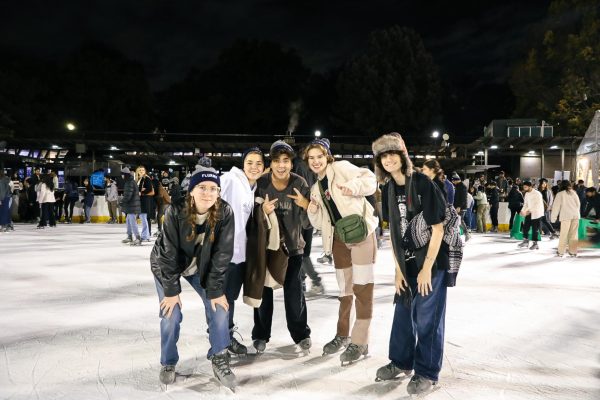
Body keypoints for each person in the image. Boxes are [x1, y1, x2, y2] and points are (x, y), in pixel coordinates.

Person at [372, 132, 450, 396]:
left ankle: (427, 372)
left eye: (392, 153)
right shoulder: (389, 189)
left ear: (402, 156)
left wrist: (427, 268)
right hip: (406, 264)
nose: (388, 159)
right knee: (403, 314)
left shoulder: (422, 183)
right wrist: (397, 271)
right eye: (383, 155)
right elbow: (394, 233)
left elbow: (438, 229)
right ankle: (402, 361)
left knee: (427, 318)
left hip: (431, 262)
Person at [150, 166, 236, 389]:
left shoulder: (225, 212)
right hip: (167, 267)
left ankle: (219, 355)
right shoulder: (175, 211)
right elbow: (167, 254)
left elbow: (222, 254)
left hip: (201, 268)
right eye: (202, 187)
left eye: (213, 188)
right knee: (171, 314)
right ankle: (168, 362)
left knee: (219, 309)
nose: (208, 193)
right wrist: (171, 291)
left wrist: (216, 291)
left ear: (218, 192)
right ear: (191, 191)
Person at [304, 138, 378, 364]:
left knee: (362, 288)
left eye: (319, 156)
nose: (316, 161)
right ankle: (343, 334)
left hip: (361, 234)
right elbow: (319, 223)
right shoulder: (316, 187)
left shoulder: (342, 168)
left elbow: (370, 179)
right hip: (338, 239)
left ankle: (360, 340)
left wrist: (353, 187)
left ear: (327, 156)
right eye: (311, 158)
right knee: (345, 290)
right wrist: (312, 209)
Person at [250, 140, 312, 354]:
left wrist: (305, 206)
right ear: (271, 163)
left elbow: (307, 223)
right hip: (267, 249)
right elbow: (250, 216)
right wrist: (262, 211)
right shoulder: (261, 182)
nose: (281, 165)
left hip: (293, 249)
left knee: (294, 295)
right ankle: (260, 334)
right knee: (264, 294)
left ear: (291, 163)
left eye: (286, 161)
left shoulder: (300, 183)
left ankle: (301, 334)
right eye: (276, 161)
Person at [219, 147, 266, 356]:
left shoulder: (252, 187)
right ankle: (219, 344)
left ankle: (226, 337)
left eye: (258, 163)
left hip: (239, 255)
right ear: (242, 164)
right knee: (220, 301)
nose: (254, 167)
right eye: (250, 162)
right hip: (223, 254)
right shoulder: (231, 179)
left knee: (229, 299)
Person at [293, 153, 325, 295]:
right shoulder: (311, 169)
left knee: (300, 253)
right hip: (310, 214)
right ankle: (303, 281)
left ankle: (314, 281)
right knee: (302, 253)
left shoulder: (297, 168)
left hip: (301, 216)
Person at [551, 181, 581, 257]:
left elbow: (556, 207)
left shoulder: (560, 194)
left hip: (566, 216)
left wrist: (553, 218)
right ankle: (573, 252)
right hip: (575, 215)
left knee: (564, 234)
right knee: (574, 235)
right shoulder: (574, 193)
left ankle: (561, 252)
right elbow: (578, 204)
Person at [518, 181, 544, 250]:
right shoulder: (526, 194)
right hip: (529, 213)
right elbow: (525, 204)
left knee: (535, 229)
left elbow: (538, 205)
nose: (524, 188)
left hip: (536, 214)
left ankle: (535, 244)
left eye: (525, 187)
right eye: (523, 187)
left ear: (530, 186)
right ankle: (526, 241)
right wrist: (522, 211)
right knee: (525, 227)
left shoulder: (537, 194)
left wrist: (529, 211)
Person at [119, 167, 142, 246]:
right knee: (128, 221)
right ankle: (129, 236)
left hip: (132, 205)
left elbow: (128, 195)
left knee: (132, 222)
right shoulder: (129, 181)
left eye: (122, 175)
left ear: (125, 175)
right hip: (130, 205)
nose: (122, 176)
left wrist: (122, 201)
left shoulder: (130, 182)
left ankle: (138, 237)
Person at [451, 173, 471, 241]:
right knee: (458, 221)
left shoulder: (462, 186)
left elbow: (463, 198)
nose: (453, 182)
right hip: (457, 207)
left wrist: (459, 207)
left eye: (453, 181)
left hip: (461, 207)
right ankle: (461, 234)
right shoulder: (458, 186)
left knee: (460, 220)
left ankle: (467, 233)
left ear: (456, 180)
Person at [136, 165, 154, 241]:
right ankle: (146, 236)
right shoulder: (140, 179)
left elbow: (149, 188)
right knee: (144, 219)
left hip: (145, 201)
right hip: (142, 201)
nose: (141, 172)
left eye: (143, 170)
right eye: (140, 170)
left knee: (144, 219)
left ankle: (145, 236)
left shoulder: (146, 178)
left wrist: (141, 191)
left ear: (145, 171)